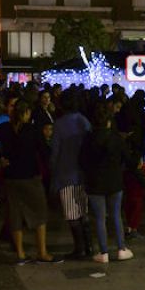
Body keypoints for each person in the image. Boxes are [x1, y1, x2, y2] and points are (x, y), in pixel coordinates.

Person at [0, 100, 62, 265]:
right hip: (30, 177)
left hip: (10, 177)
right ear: (25, 114)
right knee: (40, 213)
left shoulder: (4, 129)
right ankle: (42, 252)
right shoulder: (32, 130)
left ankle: (20, 254)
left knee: (15, 214)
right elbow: (44, 152)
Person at [80, 106, 134, 263]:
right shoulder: (116, 138)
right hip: (114, 181)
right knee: (116, 215)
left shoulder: (88, 139)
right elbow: (128, 158)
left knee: (99, 218)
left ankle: (103, 252)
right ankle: (121, 249)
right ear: (109, 121)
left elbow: (82, 161)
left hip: (95, 183)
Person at [50, 92, 93, 259]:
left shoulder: (59, 124)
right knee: (83, 210)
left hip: (65, 173)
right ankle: (88, 246)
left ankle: (80, 248)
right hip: (83, 173)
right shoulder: (84, 121)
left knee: (71, 213)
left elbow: (55, 152)